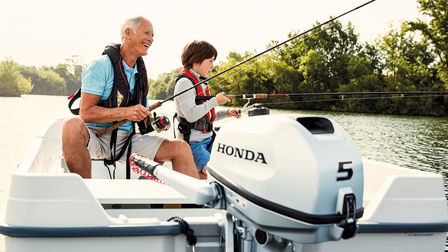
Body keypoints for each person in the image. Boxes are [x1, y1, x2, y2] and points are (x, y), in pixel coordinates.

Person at [62, 16, 200, 179]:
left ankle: (191, 204)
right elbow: (86, 113)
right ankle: (84, 193)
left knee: (181, 148)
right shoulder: (100, 66)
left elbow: (141, 117)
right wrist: (126, 112)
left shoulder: (141, 73)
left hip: (127, 141)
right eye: (147, 33)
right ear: (128, 33)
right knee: (71, 125)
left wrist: (152, 120)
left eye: (153, 35)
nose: (151, 39)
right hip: (95, 136)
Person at [174, 40, 241, 179]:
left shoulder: (201, 81)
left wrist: (226, 113)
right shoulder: (184, 83)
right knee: (213, 175)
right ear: (197, 61)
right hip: (193, 143)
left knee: (228, 169)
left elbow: (205, 117)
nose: (212, 66)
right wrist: (215, 101)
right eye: (210, 61)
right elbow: (192, 116)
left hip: (209, 139)